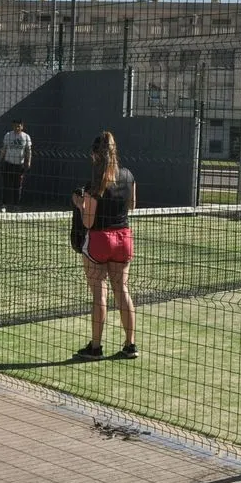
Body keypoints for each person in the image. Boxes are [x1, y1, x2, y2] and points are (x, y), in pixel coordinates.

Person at [71, 131, 138, 361]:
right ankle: (130, 345)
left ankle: (96, 347)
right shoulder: (129, 176)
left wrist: (80, 205)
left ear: (94, 155)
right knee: (122, 291)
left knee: (100, 293)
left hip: (100, 240)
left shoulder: (94, 185)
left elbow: (88, 222)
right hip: (124, 239)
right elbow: (132, 205)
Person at [0, 119, 32, 212]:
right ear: (12, 126)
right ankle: (4, 205)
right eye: (15, 126)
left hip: (19, 165)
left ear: (22, 126)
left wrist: (28, 162)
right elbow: (4, 148)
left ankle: (16, 206)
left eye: (19, 126)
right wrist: (0, 160)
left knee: (17, 186)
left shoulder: (26, 137)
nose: (17, 128)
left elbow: (28, 151)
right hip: (8, 163)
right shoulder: (8, 135)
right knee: (6, 185)